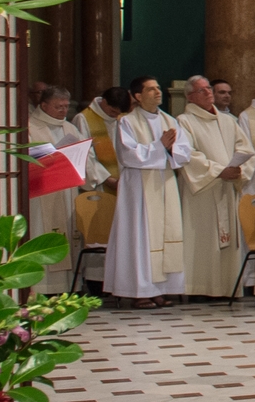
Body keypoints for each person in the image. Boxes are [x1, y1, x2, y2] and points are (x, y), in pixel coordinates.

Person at [105, 76, 192, 307]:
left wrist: (171, 149)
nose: (158, 92)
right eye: (151, 89)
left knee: (165, 234)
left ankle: (160, 289)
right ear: (137, 96)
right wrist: (160, 146)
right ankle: (139, 290)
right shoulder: (127, 122)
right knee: (140, 237)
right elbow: (128, 154)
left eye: (158, 88)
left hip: (164, 183)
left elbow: (184, 152)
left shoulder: (169, 121)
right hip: (138, 188)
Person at [177, 74, 255, 300]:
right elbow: (187, 155)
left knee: (227, 240)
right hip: (201, 192)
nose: (208, 93)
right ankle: (199, 289)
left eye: (209, 88)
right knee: (202, 239)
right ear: (190, 97)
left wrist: (239, 170)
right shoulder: (184, 121)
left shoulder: (227, 121)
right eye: (202, 90)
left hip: (226, 189)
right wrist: (219, 171)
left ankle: (225, 288)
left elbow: (246, 150)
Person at [27, 84, 90, 295]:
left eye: (65, 106)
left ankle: (67, 286)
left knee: (68, 235)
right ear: (44, 105)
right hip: (43, 192)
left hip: (66, 189)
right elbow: (25, 159)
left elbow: (84, 157)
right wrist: (50, 157)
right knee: (42, 232)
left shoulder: (70, 128)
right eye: (58, 106)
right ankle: (42, 287)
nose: (63, 111)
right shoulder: (30, 127)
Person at [77, 85, 128, 248]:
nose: (115, 116)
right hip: (100, 184)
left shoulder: (121, 119)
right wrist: (107, 179)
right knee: (100, 233)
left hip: (122, 182)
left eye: (118, 113)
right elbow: (85, 155)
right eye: (112, 111)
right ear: (104, 102)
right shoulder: (84, 119)